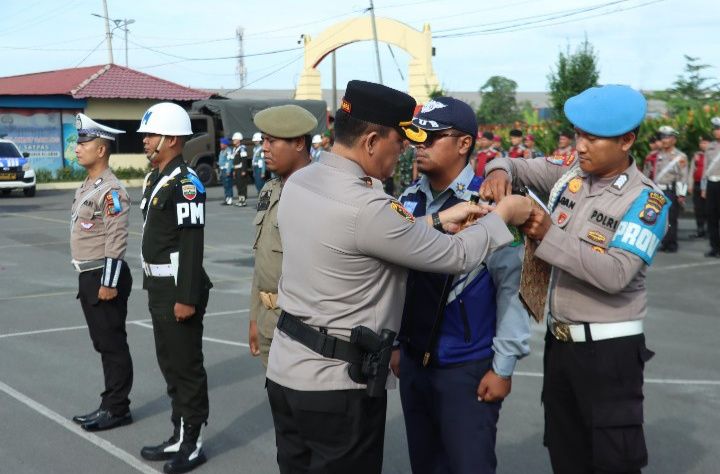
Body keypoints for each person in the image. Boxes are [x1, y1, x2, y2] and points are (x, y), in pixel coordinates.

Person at [265, 80, 532, 474]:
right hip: (338, 386)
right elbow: (454, 254)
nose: (410, 148)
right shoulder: (378, 203)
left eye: (427, 138)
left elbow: (375, 235)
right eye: (403, 140)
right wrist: (505, 215)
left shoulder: (301, 181)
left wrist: (440, 219)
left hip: (289, 372)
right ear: (371, 141)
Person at [481, 84, 669, 474]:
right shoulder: (571, 171)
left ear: (627, 141)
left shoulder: (645, 201)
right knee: (566, 456)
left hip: (610, 355)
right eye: (579, 134)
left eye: (593, 138)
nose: (581, 146)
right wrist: (499, 171)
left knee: (613, 461)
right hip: (561, 346)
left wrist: (546, 232)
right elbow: (514, 164)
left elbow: (615, 273)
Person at [394, 97, 531, 474]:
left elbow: (512, 288)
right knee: (424, 464)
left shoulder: (490, 202)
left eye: (430, 137)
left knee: (468, 465)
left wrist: (503, 366)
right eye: (415, 137)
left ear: (464, 143)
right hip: (413, 360)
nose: (418, 145)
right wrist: (395, 343)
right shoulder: (406, 200)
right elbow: (398, 281)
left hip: (467, 367)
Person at [136, 102, 213, 474]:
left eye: (150, 135)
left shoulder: (186, 184)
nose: (146, 140)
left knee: (186, 366)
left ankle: (194, 443)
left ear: (170, 139)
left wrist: (186, 298)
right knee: (170, 364)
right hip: (159, 286)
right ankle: (179, 434)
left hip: (178, 290)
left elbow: (191, 246)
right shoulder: (157, 179)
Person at [70, 113, 133, 432]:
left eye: (84, 143)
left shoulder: (111, 190)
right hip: (90, 275)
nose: (78, 148)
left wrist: (108, 284)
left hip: (103, 276)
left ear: (102, 150)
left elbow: (116, 238)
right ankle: (109, 403)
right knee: (104, 343)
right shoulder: (89, 185)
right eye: (78, 142)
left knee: (112, 344)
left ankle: (118, 408)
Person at [248, 105, 316, 367]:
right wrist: (254, 317)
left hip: (301, 325)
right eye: (264, 140)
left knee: (301, 406)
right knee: (278, 405)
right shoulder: (270, 189)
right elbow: (262, 259)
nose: (264, 147)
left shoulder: (317, 192)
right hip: (268, 320)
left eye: (271, 141)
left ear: (299, 143)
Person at [644, 125, 687, 252]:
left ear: (674, 139)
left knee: (671, 218)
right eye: (662, 137)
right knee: (655, 217)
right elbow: (647, 173)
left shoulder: (680, 156)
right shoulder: (653, 155)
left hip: (670, 191)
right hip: (656, 189)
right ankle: (662, 242)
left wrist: (681, 195)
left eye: (667, 137)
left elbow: (682, 177)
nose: (664, 140)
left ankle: (671, 244)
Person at [702, 116, 720, 257]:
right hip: (711, 184)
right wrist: (703, 188)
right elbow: (704, 170)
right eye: (715, 129)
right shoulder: (710, 147)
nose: (716, 131)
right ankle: (714, 247)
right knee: (711, 216)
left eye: (718, 128)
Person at [689, 136, 710, 238]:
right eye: (701, 143)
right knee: (698, 208)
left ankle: (709, 230)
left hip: (709, 185)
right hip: (697, 184)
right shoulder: (697, 156)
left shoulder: (714, 155)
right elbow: (692, 171)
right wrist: (690, 185)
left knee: (709, 208)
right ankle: (700, 229)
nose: (702, 145)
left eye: (705, 143)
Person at [230, 131, 250, 207]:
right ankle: (240, 199)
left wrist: (244, 170)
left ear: (238, 140)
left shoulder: (242, 148)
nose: (233, 141)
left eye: (234, 139)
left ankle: (243, 200)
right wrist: (234, 171)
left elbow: (244, 160)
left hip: (241, 169)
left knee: (242, 185)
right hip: (236, 169)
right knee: (238, 184)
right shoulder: (235, 149)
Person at [218, 137, 234, 205]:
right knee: (225, 185)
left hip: (226, 170)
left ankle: (230, 198)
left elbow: (230, 161)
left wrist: (228, 171)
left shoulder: (228, 151)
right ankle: (227, 198)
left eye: (222, 143)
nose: (220, 144)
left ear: (225, 144)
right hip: (222, 170)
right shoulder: (222, 151)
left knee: (228, 184)